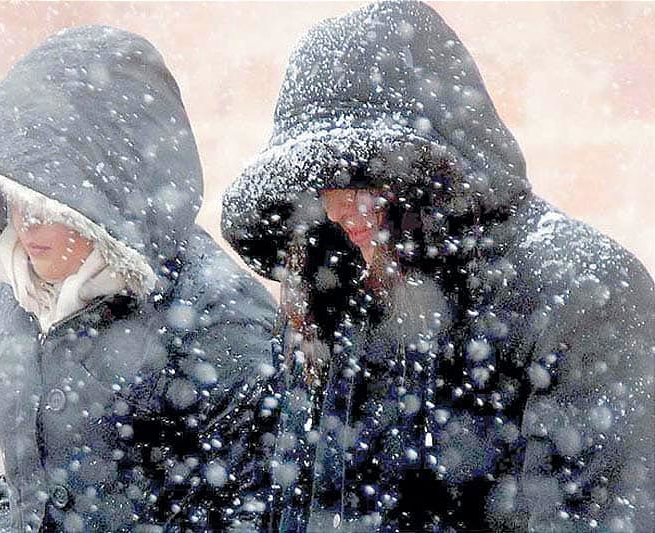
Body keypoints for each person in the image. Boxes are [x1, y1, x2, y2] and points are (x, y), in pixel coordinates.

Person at [221, 2, 654, 532]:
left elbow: (598, 510)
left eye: (365, 180)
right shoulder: (340, 302)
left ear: (432, 174)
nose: (340, 210)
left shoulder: (582, 294)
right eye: (322, 187)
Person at [0, 26, 277, 532]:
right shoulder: (26, 289)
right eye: (16, 194)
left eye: (47, 199)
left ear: (107, 193)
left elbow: (253, 507)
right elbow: (29, 483)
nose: (26, 223)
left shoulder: (222, 322)